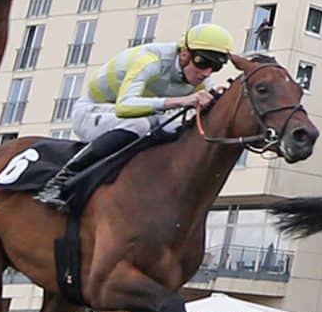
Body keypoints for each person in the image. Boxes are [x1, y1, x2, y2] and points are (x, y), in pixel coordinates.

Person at [34, 23, 235, 211]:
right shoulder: (151, 60)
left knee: (178, 130)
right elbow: (124, 107)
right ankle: (60, 181)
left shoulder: (200, 77)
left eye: (215, 67)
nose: (207, 73)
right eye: (203, 63)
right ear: (184, 54)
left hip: (138, 117)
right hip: (93, 112)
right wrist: (182, 101)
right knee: (138, 123)